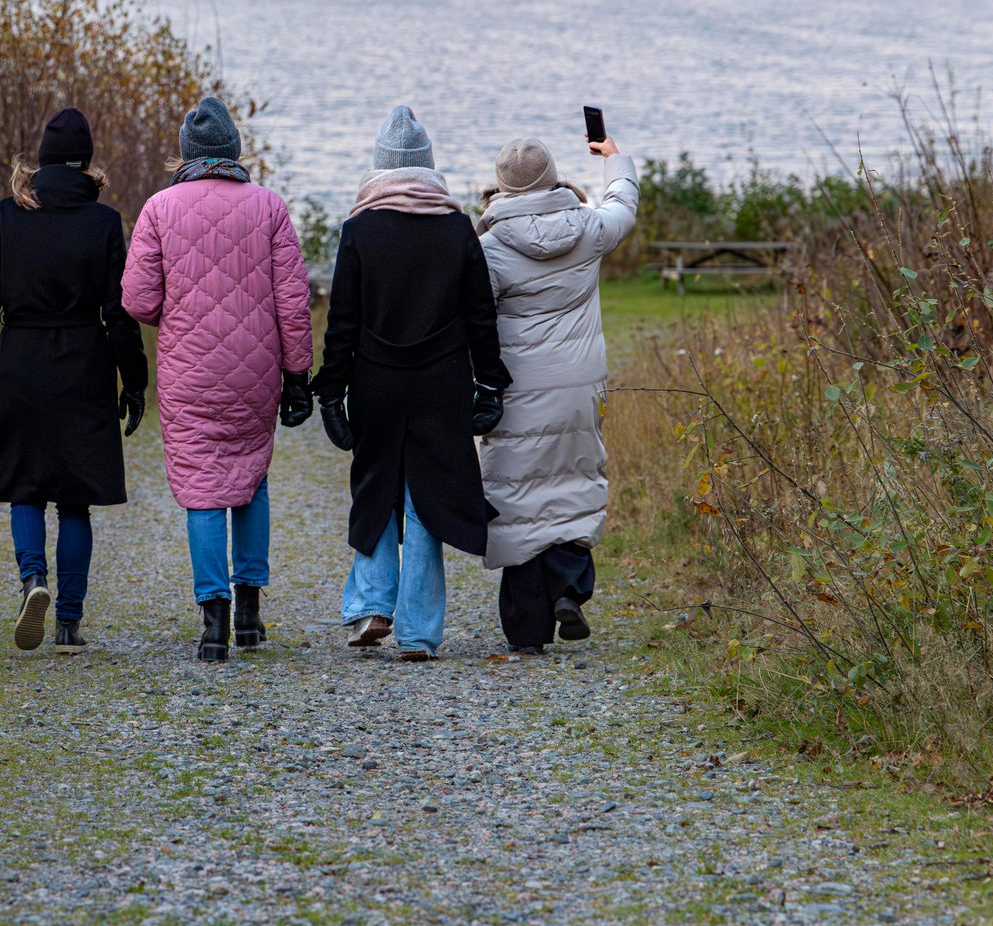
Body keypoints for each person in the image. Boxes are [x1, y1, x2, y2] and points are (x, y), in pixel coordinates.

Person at [0, 107, 150, 655]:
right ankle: (69, 625)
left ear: (42, 160)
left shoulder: (5, 217)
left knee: (25, 487)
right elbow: (120, 313)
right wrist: (134, 382)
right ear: (87, 162)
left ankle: (34, 581)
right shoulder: (103, 222)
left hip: (21, 365)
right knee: (75, 500)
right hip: (84, 365)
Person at [314, 106, 511, 661]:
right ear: (428, 169)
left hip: (376, 381)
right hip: (441, 381)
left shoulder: (359, 229)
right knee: (427, 496)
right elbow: (480, 317)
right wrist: (490, 384)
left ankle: (373, 606)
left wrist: (332, 390)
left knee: (376, 486)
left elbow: (343, 322)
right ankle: (419, 632)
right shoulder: (456, 228)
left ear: (381, 169)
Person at [122, 96, 315, 663]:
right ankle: (251, 612)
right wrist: (298, 375)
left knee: (202, 487)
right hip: (255, 371)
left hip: (189, 370)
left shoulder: (158, 208)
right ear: (233, 151)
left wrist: (178, 312)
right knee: (250, 475)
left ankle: (214, 624)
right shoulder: (270, 207)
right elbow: (293, 302)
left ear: (186, 154)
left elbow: (136, 300)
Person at [475, 133, 638, 652]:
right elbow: (623, 206)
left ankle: (526, 630)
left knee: (519, 495)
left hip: (519, 387)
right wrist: (615, 159)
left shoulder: (489, 248)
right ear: (552, 178)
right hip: (579, 381)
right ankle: (568, 586)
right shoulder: (588, 228)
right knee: (575, 477)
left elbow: (476, 320)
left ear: (500, 186)